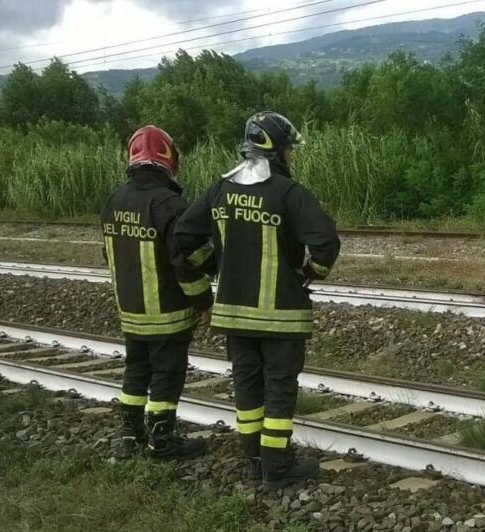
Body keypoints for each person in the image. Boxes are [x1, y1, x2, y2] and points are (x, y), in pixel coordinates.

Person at [175, 112, 340, 490]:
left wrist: (216, 265)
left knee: (247, 388)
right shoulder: (287, 193)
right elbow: (325, 243)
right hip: (281, 317)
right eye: (288, 150)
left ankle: (253, 461)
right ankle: (277, 468)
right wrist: (308, 273)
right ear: (277, 150)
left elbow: (183, 240)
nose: (290, 157)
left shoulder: (219, 189)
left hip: (233, 315)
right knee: (279, 389)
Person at [101, 125, 214, 460]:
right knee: (167, 373)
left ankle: (130, 436)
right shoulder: (171, 204)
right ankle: (162, 442)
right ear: (169, 159)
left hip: (131, 311)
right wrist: (204, 301)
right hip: (167, 313)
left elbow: (110, 255)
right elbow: (185, 265)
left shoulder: (113, 200)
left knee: (136, 369)